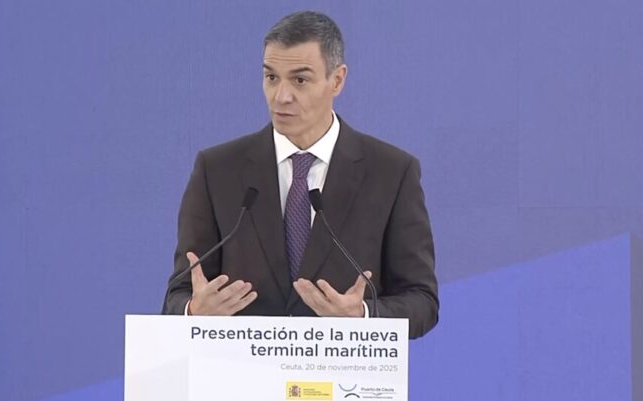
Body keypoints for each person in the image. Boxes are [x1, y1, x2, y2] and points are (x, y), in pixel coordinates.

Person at [162, 11, 438, 338]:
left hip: (341, 368)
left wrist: (363, 316)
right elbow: (177, 296)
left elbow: (422, 302)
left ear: (337, 80)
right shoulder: (217, 170)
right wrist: (194, 311)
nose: (281, 96)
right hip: (242, 368)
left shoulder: (391, 172)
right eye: (271, 77)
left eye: (300, 80)